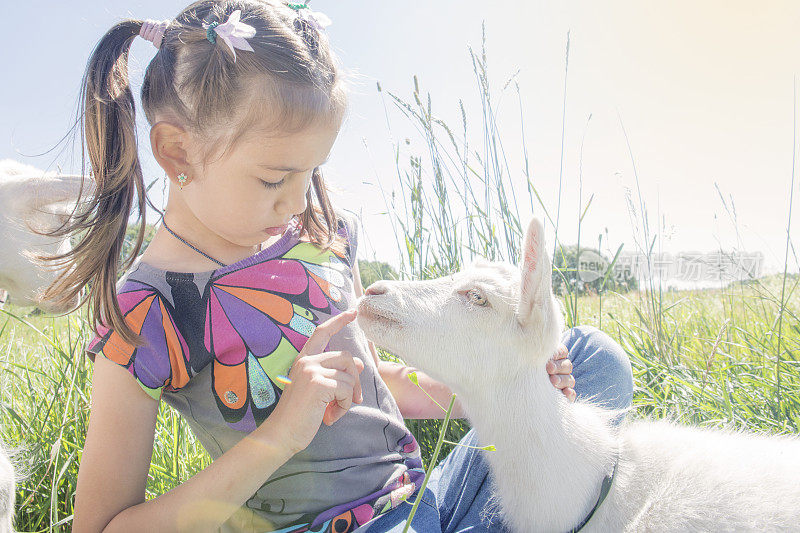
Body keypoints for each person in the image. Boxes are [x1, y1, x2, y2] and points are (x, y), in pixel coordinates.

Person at [46, 1, 634, 531]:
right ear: (177, 152)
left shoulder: (320, 235)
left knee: (592, 356)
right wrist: (280, 435)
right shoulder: (144, 313)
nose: (300, 201)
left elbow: (381, 388)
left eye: (313, 173)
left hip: (426, 497)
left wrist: (513, 378)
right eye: (275, 179)